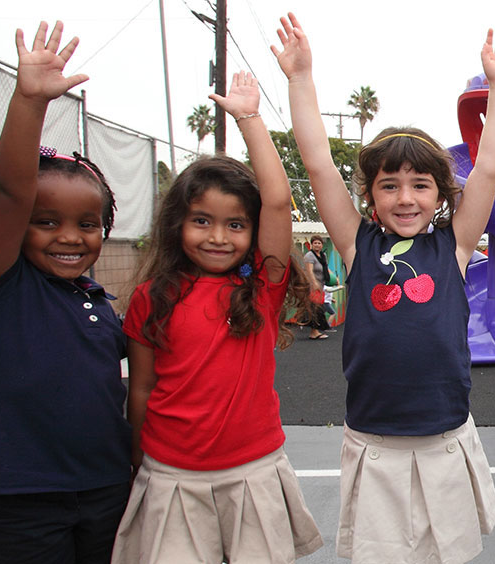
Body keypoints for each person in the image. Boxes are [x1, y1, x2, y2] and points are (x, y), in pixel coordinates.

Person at [276, 13, 495, 563]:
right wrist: (300, 79)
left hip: (444, 437)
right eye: (389, 185)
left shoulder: (453, 246)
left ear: (440, 194)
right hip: (375, 441)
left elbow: (488, 169)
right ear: (369, 195)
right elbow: (316, 164)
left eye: (419, 185)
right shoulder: (357, 246)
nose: (405, 197)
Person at [114, 70, 322, 563]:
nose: (217, 237)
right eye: (201, 221)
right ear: (177, 223)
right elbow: (140, 388)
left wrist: (250, 119)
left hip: (253, 470)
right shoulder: (151, 296)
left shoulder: (260, 290)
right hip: (169, 475)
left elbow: (275, 199)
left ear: (252, 232)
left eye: (235, 225)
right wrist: (138, 459)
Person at [0, 21, 130, 564]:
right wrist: (29, 101)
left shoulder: (98, 301)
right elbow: (11, 192)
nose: (69, 237)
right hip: (23, 497)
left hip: (106, 487)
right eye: (46, 221)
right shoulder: (3, 284)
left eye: (88, 223)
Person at [304, 235, 334, 338]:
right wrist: (314, 283)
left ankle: (315, 331)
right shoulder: (309, 256)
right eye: (315, 243)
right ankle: (314, 332)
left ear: (322, 245)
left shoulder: (323, 255)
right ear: (311, 245)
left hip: (321, 286)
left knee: (318, 308)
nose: (317, 245)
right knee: (316, 309)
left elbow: (325, 268)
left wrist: (333, 278)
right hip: (313, 287)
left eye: (319, 243)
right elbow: (309, 271)